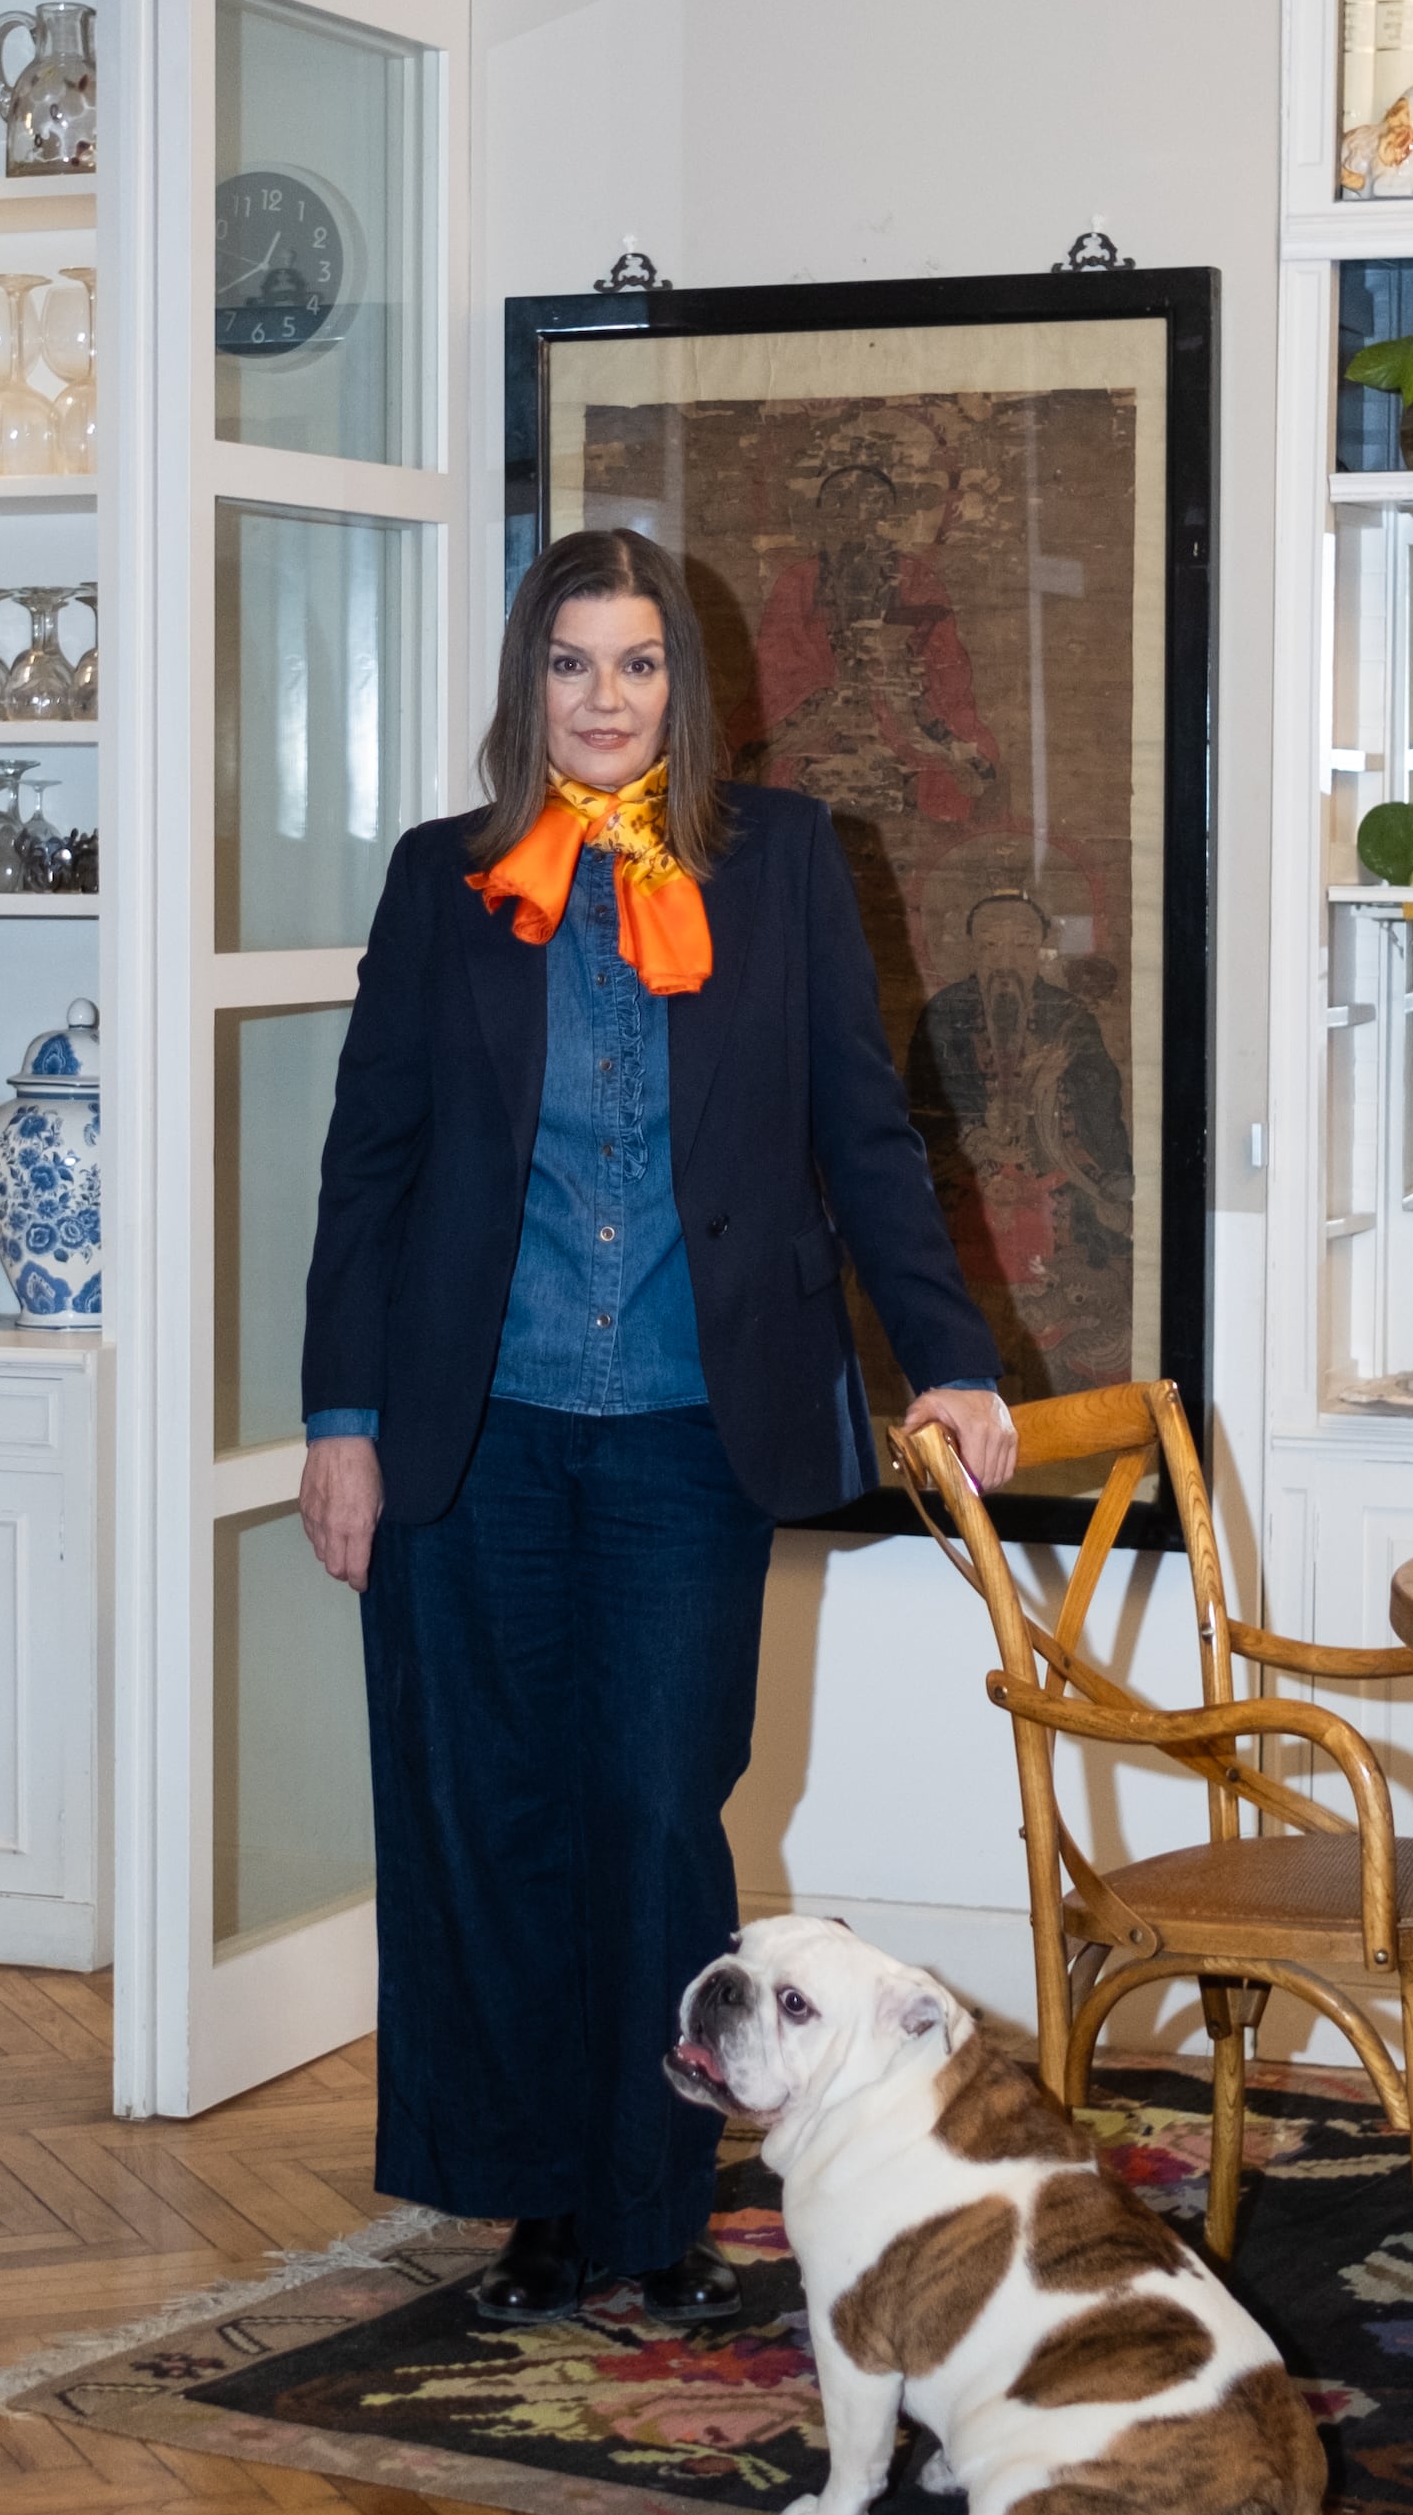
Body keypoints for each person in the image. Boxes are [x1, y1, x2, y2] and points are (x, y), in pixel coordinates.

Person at [299, 524, 1019, 2328]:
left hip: (696, 1427)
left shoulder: (783, 868)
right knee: (490, 1815)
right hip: (477, 1429)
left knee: (652, 1811)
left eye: (636, 664)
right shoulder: (438, 878)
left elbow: (866, 1131)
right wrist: (339, 1417)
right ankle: (538, 2198)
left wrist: (949, 1353)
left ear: (685, 689)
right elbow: (367, 1169)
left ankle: (649, 2206)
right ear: (523, 680)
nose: (604, 697)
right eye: (570, 663)